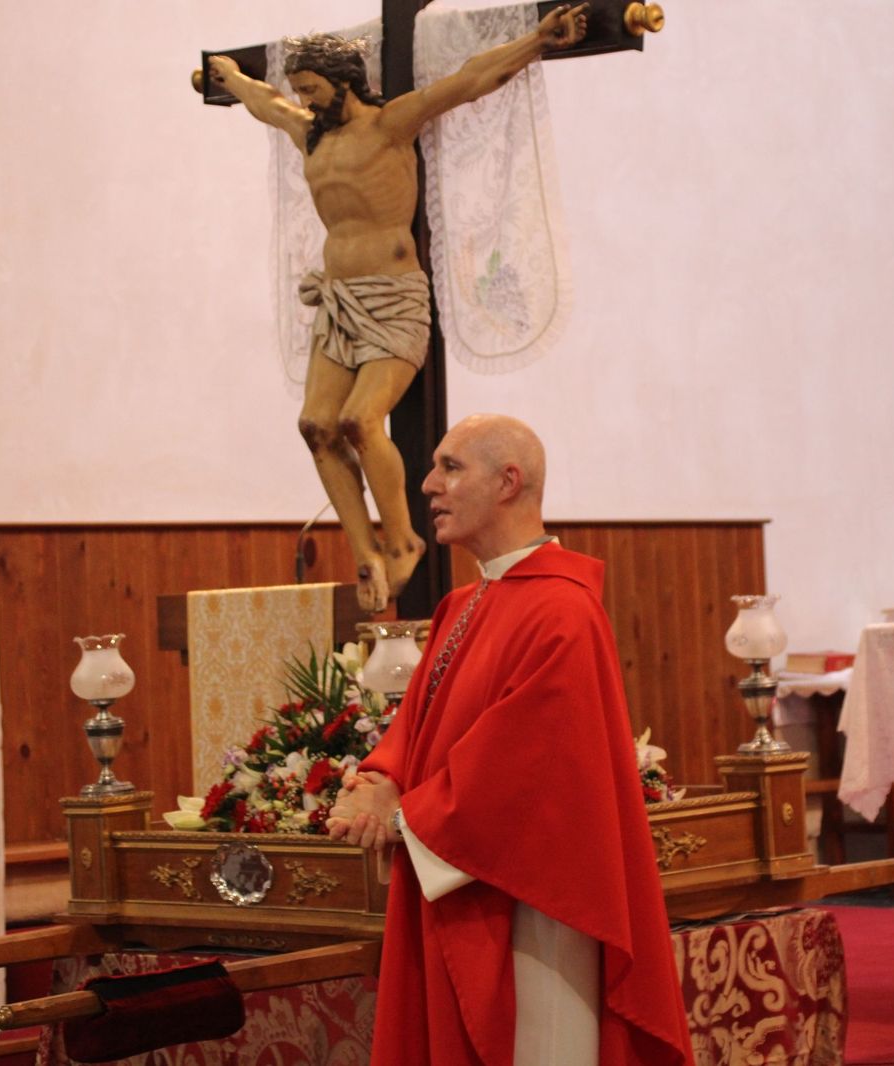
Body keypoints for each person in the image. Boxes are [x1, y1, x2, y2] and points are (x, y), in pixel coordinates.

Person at [326, 414, 693, 1066]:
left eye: (451, 467)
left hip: (537, 906)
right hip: (465, 887)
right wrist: (379, 780)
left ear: (509, 481)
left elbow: (525, 770)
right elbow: (416, 729)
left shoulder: (562, 611)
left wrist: (402, 813)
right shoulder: (462, 605)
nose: (428, 485)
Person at [206, 6, 589, 613]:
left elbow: (468, 79)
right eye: (299, 88)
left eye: (312, 88)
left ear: (343, 81)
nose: (303, 98)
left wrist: (537, 40)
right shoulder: (308, 132)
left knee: (362, 421)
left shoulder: (388, 125)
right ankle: (366, 553)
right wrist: (227, 75)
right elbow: (260, 99)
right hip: (339, 301)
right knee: (316, 427)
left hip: (392, 296)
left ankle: (403, 539)